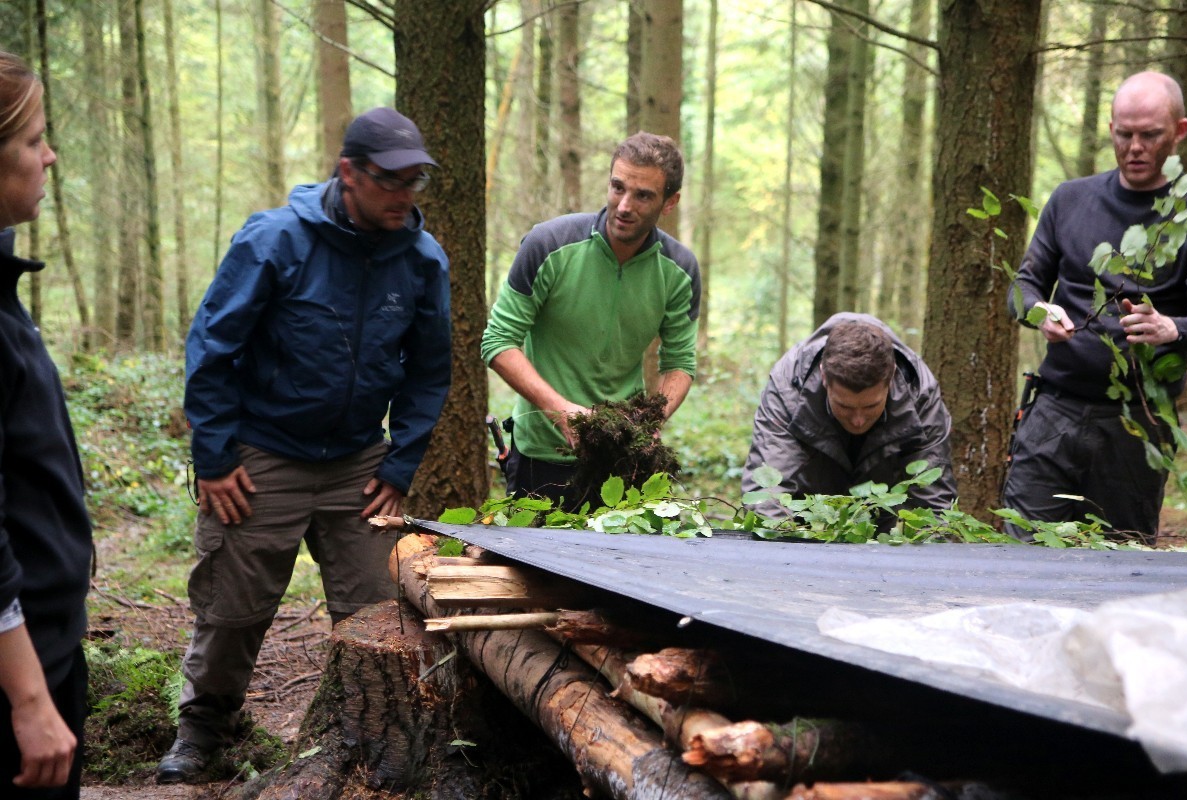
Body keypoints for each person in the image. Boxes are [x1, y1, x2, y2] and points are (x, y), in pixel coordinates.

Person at [159, 107, 452, 784]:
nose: (406, 194)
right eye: (391, 180)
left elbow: (429, 369)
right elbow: (212, 348)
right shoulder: (275, 241)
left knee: (381, 615)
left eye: (417, 181)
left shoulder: (421, 259)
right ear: (349, 173)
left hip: (358, 462)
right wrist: (216, 458)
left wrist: (400, 462)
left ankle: (379, 741)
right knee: (232, 607)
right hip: (262, 455)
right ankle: (203, 730)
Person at [1004, 71, 1187, 540]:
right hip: (1053, 411)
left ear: (1179, 131)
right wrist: (1039, 311)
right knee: (1020, 552)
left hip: (1138, 425)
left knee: (1121, 563)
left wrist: (1171, 328)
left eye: (1150, 135)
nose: (1134, 147)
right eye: (1123, 133)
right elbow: (1022, 286)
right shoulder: (1070, 200)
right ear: (1110, 128)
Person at [480, 131, 700, 507]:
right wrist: (561, 411)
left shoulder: (679, 269)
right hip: (540, 454)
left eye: (643, 195)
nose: (624, 205)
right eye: (617, 187)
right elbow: (498, 341)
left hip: (621, 461)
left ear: (670, 202)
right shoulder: (548, 245)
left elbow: (680, 362)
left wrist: (650, 422)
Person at [0, 50, 94, 798]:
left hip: (47, 641)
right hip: (15, 676)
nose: (49, 155)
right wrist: (28, 698)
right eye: (34, 140)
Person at [743, 313, 957, 522]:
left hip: (881, 519)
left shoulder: (920, 393)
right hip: (805, 517)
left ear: (890, 377)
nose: (858, 420)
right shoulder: (787, 389)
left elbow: (932, 505)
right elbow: (768, 495)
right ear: (824, 377)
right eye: (844, 406)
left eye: (871, 406)